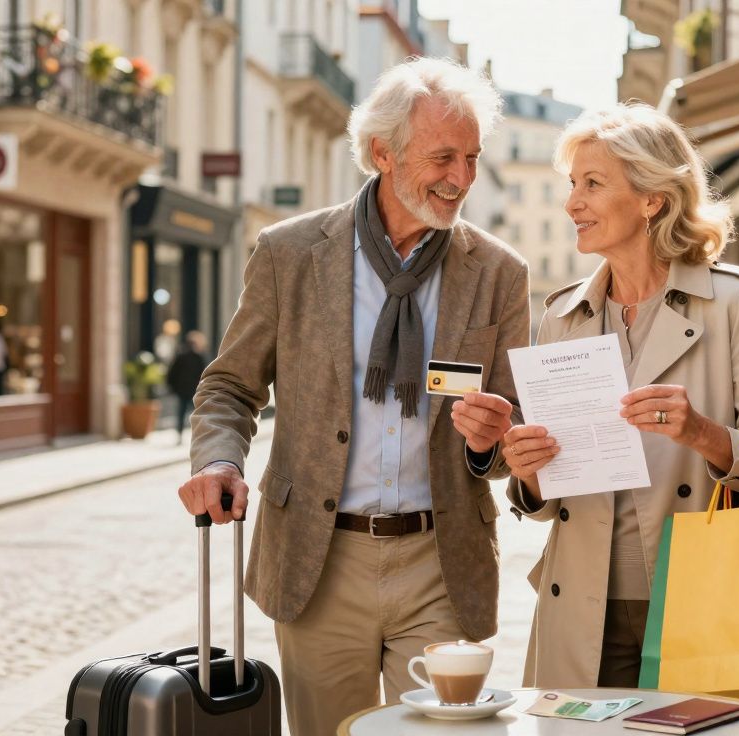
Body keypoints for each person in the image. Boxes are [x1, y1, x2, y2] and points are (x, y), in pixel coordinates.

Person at [175, 58, 530, 735]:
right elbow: (229, 384)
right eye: (443, 157)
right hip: (318, 557)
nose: (461, 178)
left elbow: (514, 434)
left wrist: (490, 446)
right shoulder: (290, 252)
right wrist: (217, 462)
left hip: (441, 562)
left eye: (472, 158)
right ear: (382, 154)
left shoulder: (499, 273)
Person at [482, 103, 739, 688]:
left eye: (593, 184)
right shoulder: (562, 317)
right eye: (571, 184)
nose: (572, 203)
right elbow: (552, 493)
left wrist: (704, 435)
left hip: (699, 594)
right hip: (582, 604)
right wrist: (528, 473)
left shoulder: (731, 305)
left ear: (652, 198)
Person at [166, 331, 210, 445]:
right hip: (195, 390)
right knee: (199, 414)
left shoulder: (181, 356)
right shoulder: (199, 356)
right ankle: (200, 436)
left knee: (182, 413)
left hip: (183, 390)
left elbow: (171, 374)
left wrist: (173, 388)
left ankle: (180, 435)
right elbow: (205, 374)